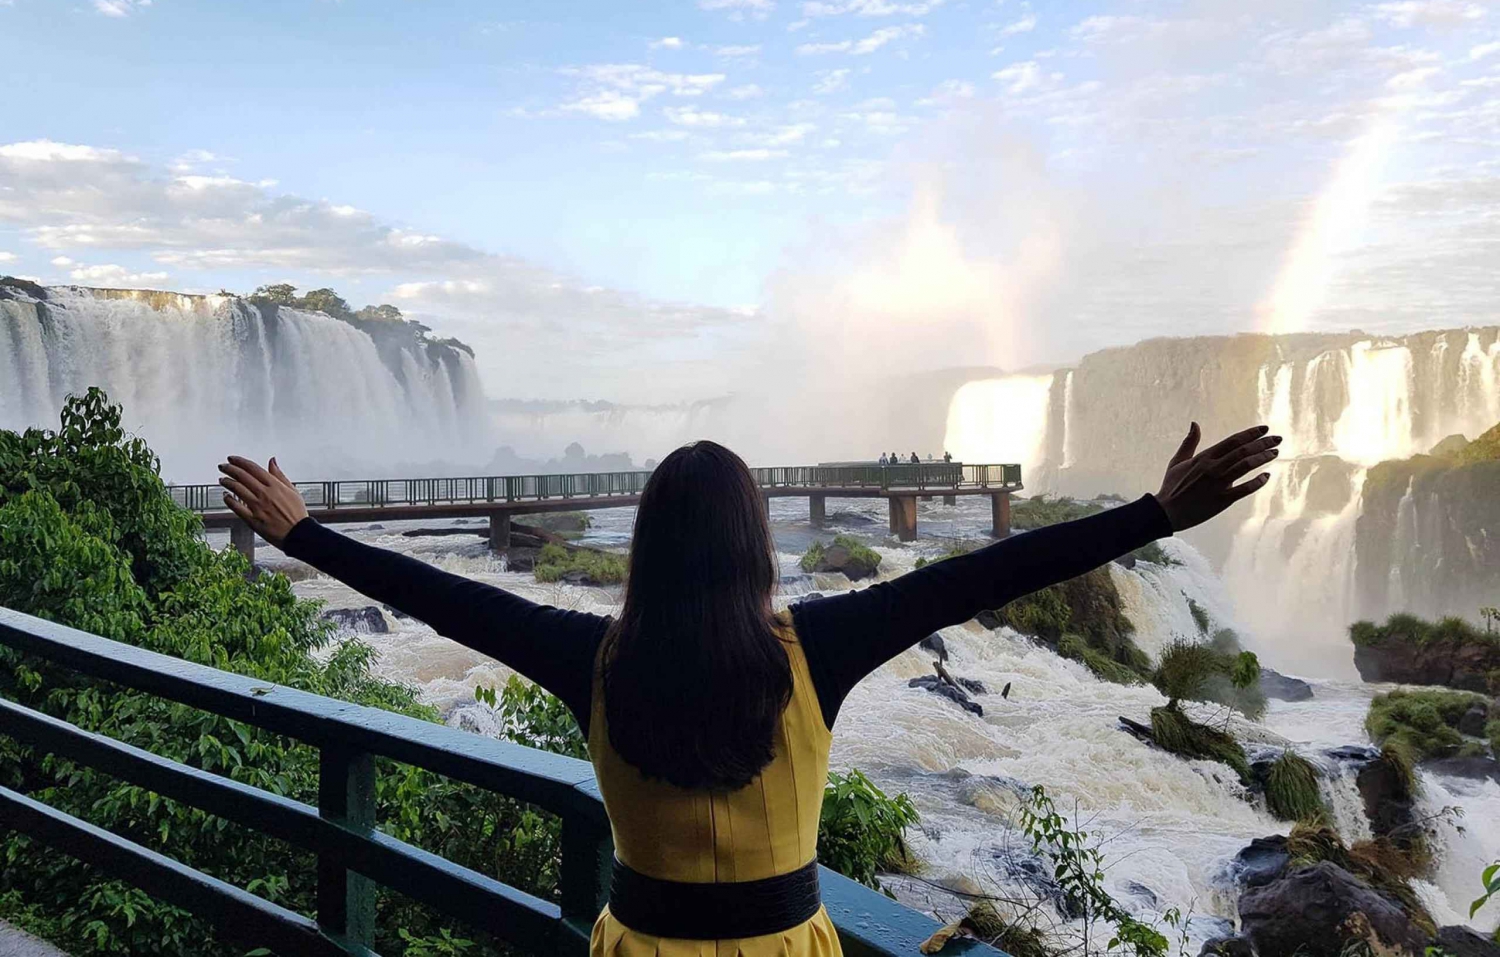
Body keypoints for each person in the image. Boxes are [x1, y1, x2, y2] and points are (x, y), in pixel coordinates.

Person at [218, 422, 1278, 956]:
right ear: (755, 544)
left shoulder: (589, 654)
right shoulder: (820, 645)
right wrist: (1153, 513)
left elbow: (442, 596)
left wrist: (305, 534)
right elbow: (990, 572)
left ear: (648, 546)